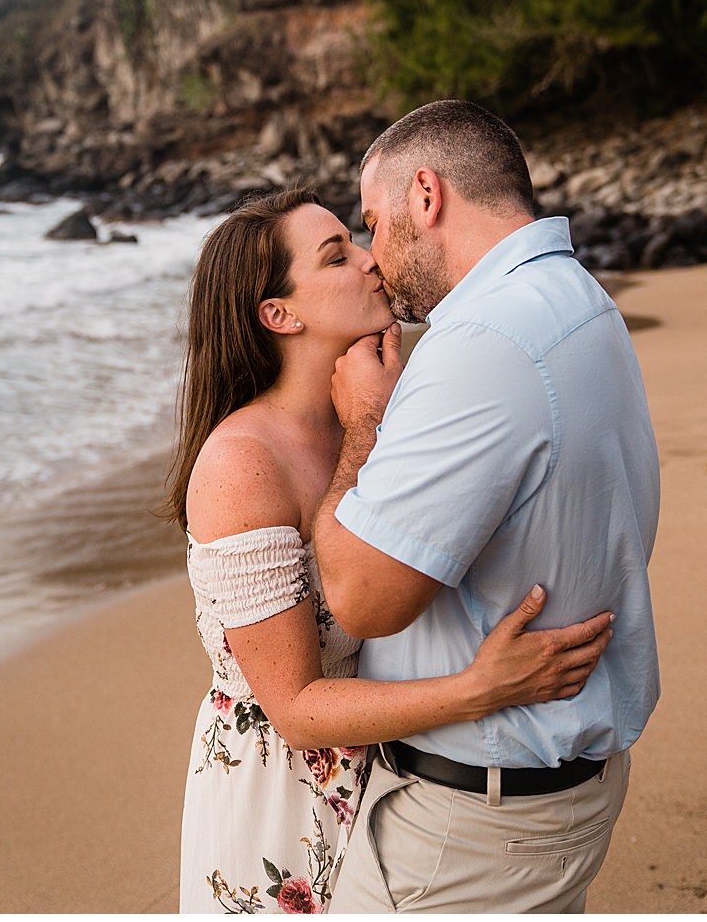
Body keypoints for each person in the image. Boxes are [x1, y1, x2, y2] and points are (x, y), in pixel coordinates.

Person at [169, 187, 615, 914]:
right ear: (280, 315)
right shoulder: (242, 466)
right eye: (337, 255)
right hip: (284, 799)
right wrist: (482, 688)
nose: (374, 261)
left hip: (395, 779)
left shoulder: (380, 411)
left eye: (358, 240)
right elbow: (296, 710)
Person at [310, 100, 661, 913]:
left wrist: (365, 423)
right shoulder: (575, 299)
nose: (371, 257)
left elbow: (362, 598)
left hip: (471, 829)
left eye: (371, 222)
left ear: (424, 197)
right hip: (547, 795)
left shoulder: (482, 346)